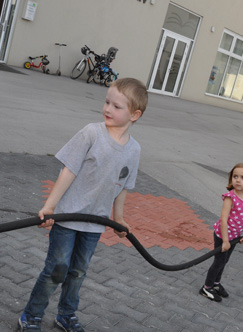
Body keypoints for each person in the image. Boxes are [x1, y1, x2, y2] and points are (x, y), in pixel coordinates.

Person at [18, 78, 148, 332]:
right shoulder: (91, 133)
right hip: (67, 218)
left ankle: (66, 315)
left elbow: (122, 187)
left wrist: (118, 219)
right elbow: (68, 172)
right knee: (57, 269)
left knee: (78, 272)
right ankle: (31, 316)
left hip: (95, 223)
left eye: (116, 106)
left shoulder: (134, 150)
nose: (108, 109)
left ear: (135, 114)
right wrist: (50, 207)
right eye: (106, 102)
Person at [200, 163, 243, 302]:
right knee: (219, 262)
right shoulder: (230, 197)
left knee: (225, 260)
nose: (238, 180)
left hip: (235, 236)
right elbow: (224, 220)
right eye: (235, 176)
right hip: (223, 235)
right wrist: (225, 241)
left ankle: (216, 283)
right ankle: (206, 287)